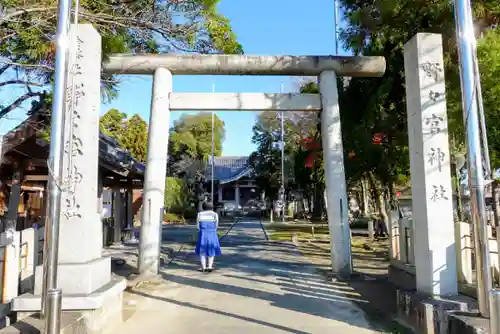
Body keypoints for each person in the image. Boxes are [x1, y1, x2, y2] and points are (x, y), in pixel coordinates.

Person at [195, 202, 222, 272]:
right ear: (212, 207)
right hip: (212, 233)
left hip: (203, 234)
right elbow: (216, 225)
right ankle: (210, 267)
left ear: (203, 207)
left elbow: (197, 226)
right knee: (211, 250)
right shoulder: (215, 214)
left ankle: (203, 267)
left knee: (202, 251)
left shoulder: (200, 214)